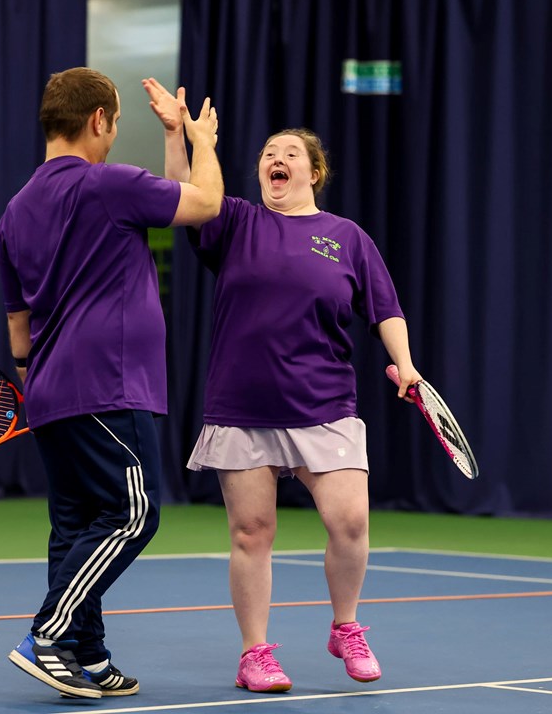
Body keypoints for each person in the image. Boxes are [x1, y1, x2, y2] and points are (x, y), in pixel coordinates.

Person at [144, 81, 421, 693]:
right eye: (271, 151)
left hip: (324, 403)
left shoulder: (348, 237)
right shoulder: (238, 221)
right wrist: (179, 136)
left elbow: (386, 310)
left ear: (313, 171)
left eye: (292, 152)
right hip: (243, 405)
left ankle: (346, 627)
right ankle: (255, 654)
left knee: (349, 522)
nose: (278, 158)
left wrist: (405, 364)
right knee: (251, 533)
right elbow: (184, 196)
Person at [0, 67, 223, 699]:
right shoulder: (108, 186)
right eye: (117, 121)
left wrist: (29, 382)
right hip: (108, 386)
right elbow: (203, 204)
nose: (116, 133)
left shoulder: (15, 211)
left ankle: (85, 655)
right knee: (134, 511)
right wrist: (199, 140)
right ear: (98, 120)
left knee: (76, 525)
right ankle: (47, 633)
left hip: (49, 390)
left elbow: (20, 328)